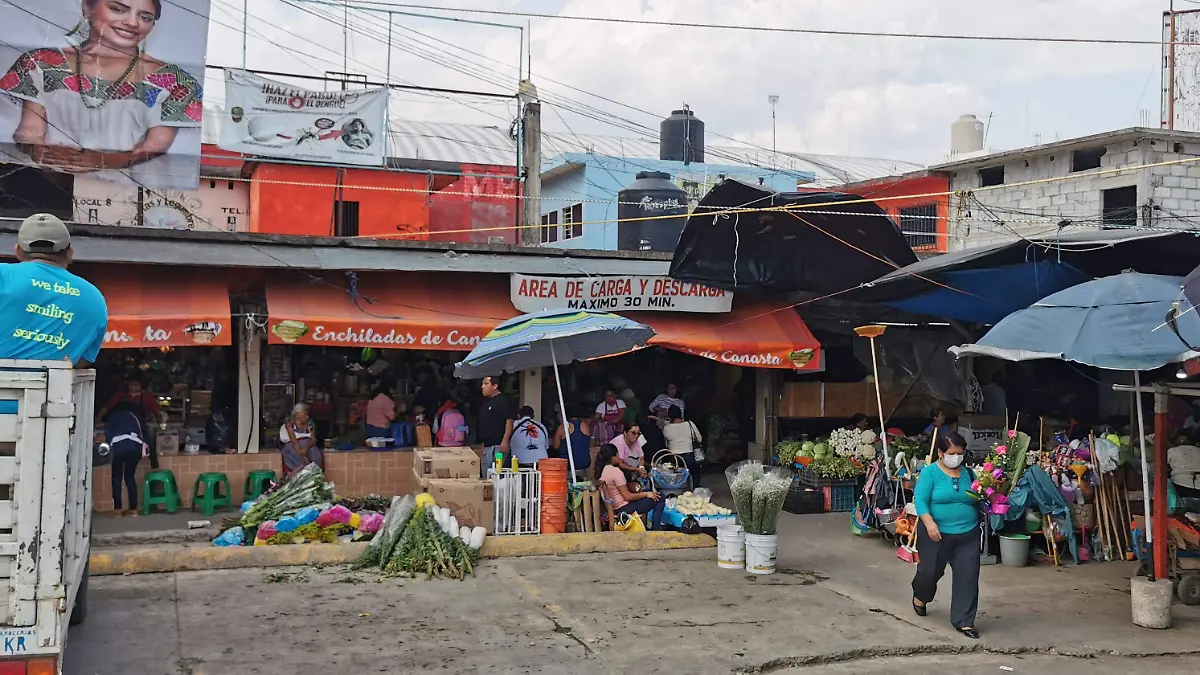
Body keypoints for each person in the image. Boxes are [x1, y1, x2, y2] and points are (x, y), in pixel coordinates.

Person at [1, 0, 204, 183]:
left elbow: (154, 147)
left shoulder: (176, 82)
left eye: (145, 17)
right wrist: (41, 153)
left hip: (127, 195)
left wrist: (102, 161)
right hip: (44, 188)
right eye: (117, 9)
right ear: (87, 7)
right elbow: (29, 130)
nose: (132, 23)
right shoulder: (40, 63)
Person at [0, 214, 107, 366]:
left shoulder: (3, 275)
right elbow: (82, 361)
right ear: (70, 253)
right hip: (55, 388)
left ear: (18, 251)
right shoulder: (95, 298)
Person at [911, 431, 981, 639]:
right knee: (929, 573)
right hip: (936, 533)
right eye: (952, 453)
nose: (956, 457)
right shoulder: (930, 473)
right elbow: (921, 499)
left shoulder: (969, 474)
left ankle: (964, 621)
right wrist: (929, 523)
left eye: (960, 453)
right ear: (940, 453)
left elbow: (978, 497)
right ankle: (920, 596)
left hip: (968, 533)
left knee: (967, 576)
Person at [98, 371, 163, 468]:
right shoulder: (121, 395)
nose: (133, 388)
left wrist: (162, 420)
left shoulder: (147, 397)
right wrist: (98, 419)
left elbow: (158, 412)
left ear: (142, 385)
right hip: (121, 424)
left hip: (138, 424)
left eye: (136, 385)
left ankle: (153, 461)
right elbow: (107, 407)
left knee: (148, 439)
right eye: (131, 385)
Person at [595, 443, 664, 530]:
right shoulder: (615, 471)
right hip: (624, 509)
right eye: (617, 455)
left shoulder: (602, 471)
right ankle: (656, 530)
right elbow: (627, 496)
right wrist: (647, 494)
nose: (619, 457)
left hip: (614, 508)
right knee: (660, 496)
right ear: (613, 457)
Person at [104, 400, 147, 515]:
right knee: (129, 476)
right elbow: (146, 436)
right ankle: (133, 510)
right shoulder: (136, 417)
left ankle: (117, 509)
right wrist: (154, 461)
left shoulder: (112, 417)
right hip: (135, 448)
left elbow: (108, 435)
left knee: (117, 477)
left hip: (118, 448)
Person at [478, 375, 513, 477]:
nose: (482, 387)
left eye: (486, 383)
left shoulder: (503, 401)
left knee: (498, 474)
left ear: (495, 386)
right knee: (486, 475)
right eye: (482, 384)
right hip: (487, 446)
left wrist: (505, 441)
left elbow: (509, 420)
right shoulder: (485, 403)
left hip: (498, 446)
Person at [661, 405, 701, 483]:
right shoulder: (690, 424)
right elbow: (699, 439)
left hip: (674, 457)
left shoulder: (667, 428)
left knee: (676, 479)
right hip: (690, 456)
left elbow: (666, 444)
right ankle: (695, 489)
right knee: (695, 475)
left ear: (670, 416)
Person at [280, 403, 324, 475]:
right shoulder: (289, 424)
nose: (307, 416)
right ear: (297, 415)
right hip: (294, 447)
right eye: (305, 414)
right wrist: (307, 462)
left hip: (307, 446)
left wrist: (305, 447)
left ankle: (314, 472)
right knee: (293, 452)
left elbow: (313, 440)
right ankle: (305, 472)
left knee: (315, 452)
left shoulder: (309, 423)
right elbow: (295, 444)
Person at [551, 407, 592, 481]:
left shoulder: (563, 427)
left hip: (568, 464)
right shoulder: (585, 426)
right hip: (583, 463)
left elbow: (555, 446)